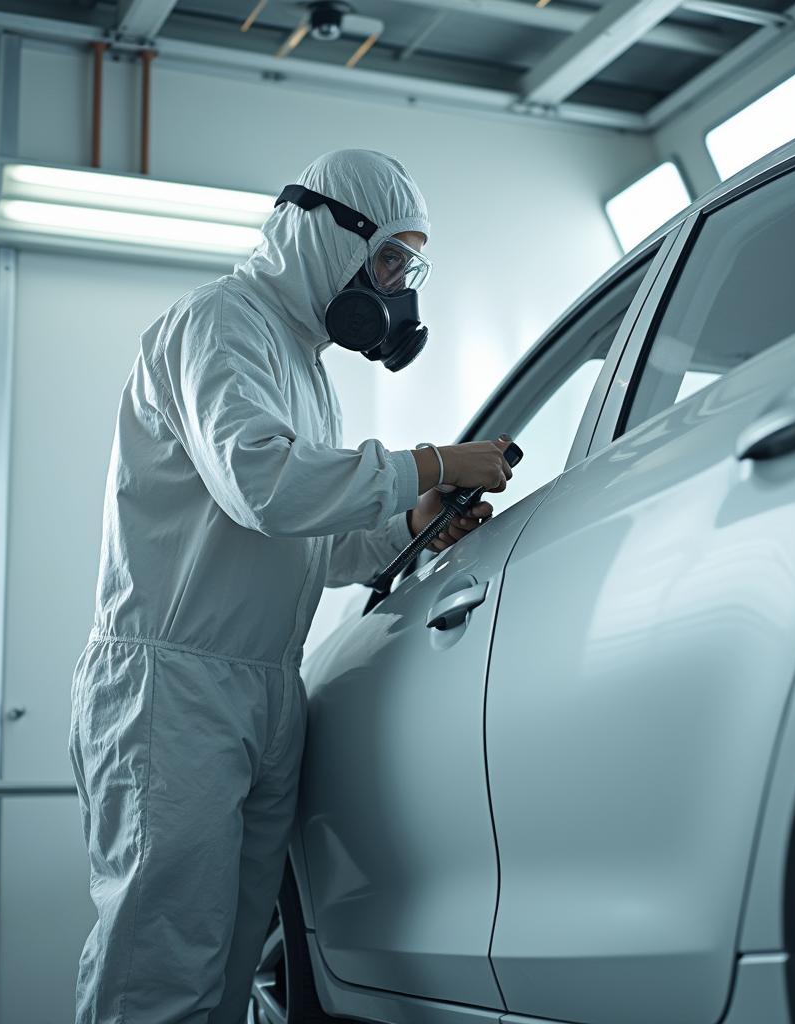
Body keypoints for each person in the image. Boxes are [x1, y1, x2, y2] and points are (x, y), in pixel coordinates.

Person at [66, 148, 514, 1023]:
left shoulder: (306, 370)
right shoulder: (220, 324)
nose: (394, 288)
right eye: (388, 260)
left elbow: (311, 545)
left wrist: (413, 521)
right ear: (324, 233)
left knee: (230, 970)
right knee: (159, 968)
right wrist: (428, 460)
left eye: (405, 268)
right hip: (174, 689)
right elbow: (264, 486)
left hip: (264, 688)